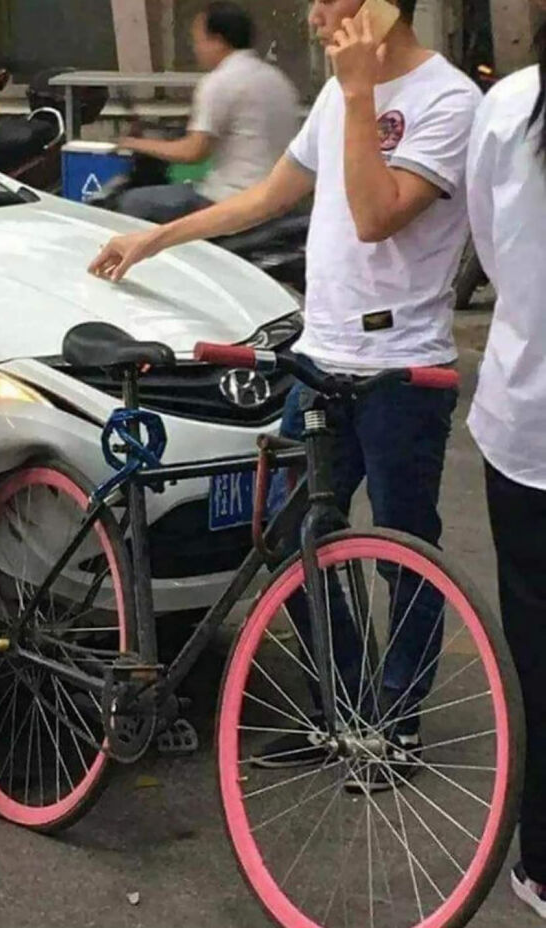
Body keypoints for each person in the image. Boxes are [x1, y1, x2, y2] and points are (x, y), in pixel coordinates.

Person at [90, 0, 481, 787]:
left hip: (400, 370)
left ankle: (395, 727)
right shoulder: (339, 91)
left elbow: (375, 216)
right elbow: (270, 195)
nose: (314, 14)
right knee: (289, 536)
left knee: (403, 551)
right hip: (319, 357)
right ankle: (344, 710)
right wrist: (156, 238)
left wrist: (362, 92)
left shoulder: (448, 101)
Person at [466, 2, 546, 918]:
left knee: (537, 652)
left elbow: (489, 246)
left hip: (528, 424)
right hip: (523, 427)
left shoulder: (509, 107)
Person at [115, 1, 299, 223]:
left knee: (131, 202)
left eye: (199, 41)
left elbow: (193, 152)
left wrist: (134, 143)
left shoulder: (219, 82)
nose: (195, 49)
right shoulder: (278, 80)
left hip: (229, 198)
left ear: (218, 41)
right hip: (280, 199)